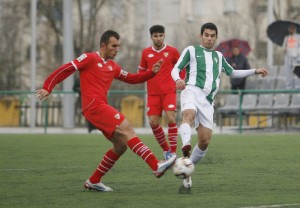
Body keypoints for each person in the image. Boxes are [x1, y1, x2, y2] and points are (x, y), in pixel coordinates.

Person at [36, 30, 176, 192]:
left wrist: (152, 72)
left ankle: (94, 181)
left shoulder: (112, 66)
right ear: (103, 45)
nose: (117, 49)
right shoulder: (89, 58)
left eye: (118, 46)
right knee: (128, 128)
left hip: (100, 107)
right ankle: (155, 165)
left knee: (121, 145)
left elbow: (132, 78)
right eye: (114, 46)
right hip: (94, 106)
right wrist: (48, 86)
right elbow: (66, 69)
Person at [171, 23, 268, 191]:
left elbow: (233, 72)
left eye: (212, 35)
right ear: (201, 36)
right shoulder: (191, 50)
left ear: (216, 37)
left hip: (208, 101)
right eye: (206, 35)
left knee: (204, 141)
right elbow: (176, 69)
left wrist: (254, 71)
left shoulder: (219, 56)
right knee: (188, 115)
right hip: (191, 90)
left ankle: (186, 170)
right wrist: (178, 79)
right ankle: (185, 144)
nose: (209, 38)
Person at [138, 25, 184, 159]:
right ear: (151, 37)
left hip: (169, 91)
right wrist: (145, 74)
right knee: (153, 122)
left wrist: (180, 80)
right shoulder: (146, 53)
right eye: (155, 36)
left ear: (164, 36)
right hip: (152, 93)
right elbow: (141, 72)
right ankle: (166, 150)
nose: (158, 38)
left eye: (160, 35)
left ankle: (173, 152)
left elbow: (182, 67)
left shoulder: (172, 51)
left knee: (171, 118)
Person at [282, 23, 300, 89]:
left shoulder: (298, 37)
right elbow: (283, 47)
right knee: (288, 73)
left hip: (297, 58)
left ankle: (298, 87)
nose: (291, 30)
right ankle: (288, 87)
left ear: (295, 29)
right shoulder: (286, 37)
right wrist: (284, 50)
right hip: (288, 57)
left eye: (292, 28)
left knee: (297, 73)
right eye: (290, 28)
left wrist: (297, 53)